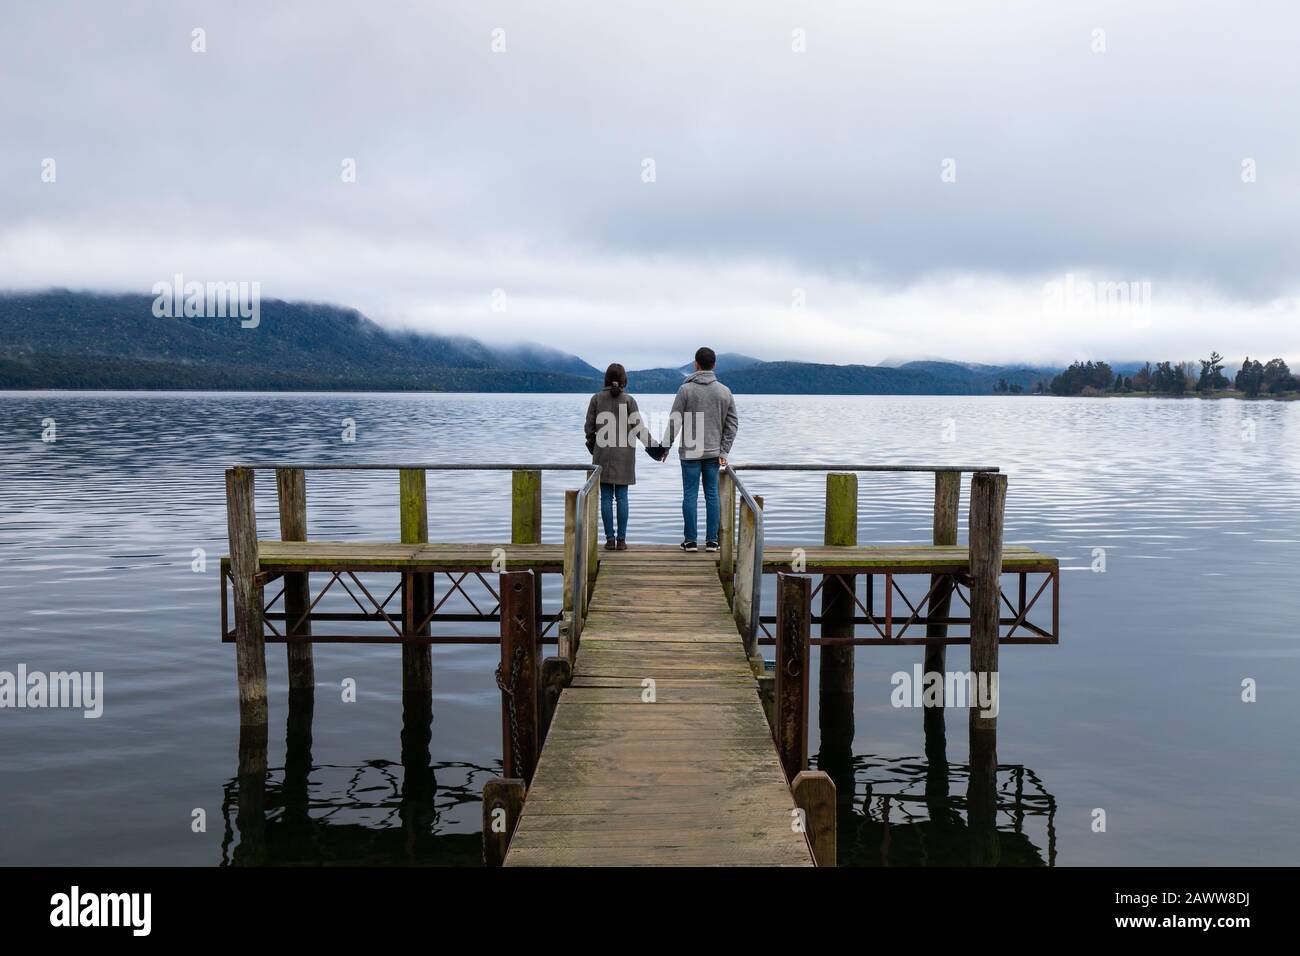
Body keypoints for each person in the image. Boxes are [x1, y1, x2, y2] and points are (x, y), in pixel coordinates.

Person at [657, 347, 738, 553]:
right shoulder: (724, 391)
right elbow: (732, 424)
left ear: (696, 364)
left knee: (690, 495)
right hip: (713, 453)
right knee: (712, 495)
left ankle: (690, 541)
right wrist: (724, 451)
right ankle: (712, 541)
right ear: (714, 365)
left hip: (690, 453)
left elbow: (674, 421)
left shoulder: (685, 390)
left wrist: (665, 446)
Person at [584, 363, 662, 550]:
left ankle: (609, 540)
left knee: (605, 498)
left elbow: (589, 428)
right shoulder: (629, 400)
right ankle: (621, 540)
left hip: (602, 454)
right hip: (625, 455)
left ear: (606, 379)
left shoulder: (596, 399)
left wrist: (593, 446)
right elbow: (639, 429)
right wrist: (657, 450)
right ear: (624, 380)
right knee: (622, 497)